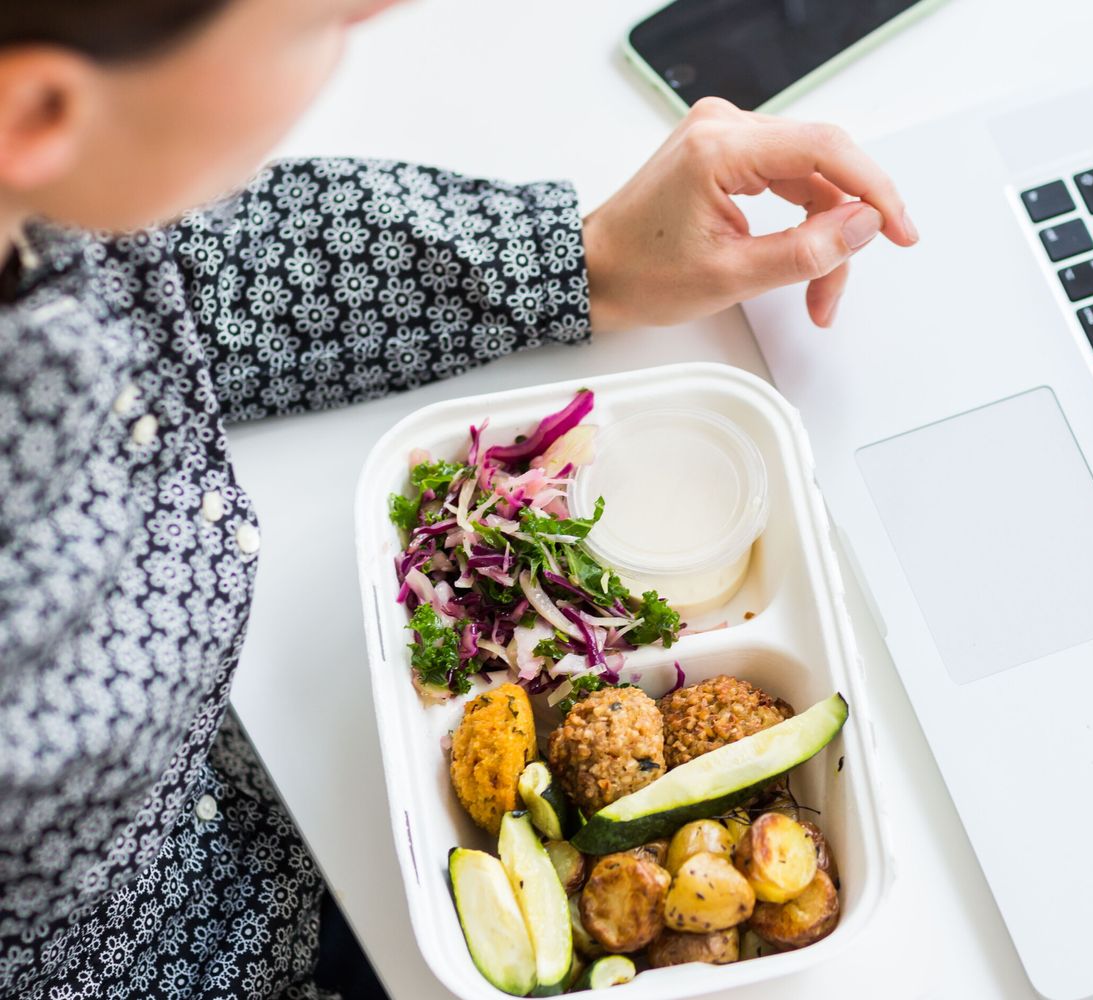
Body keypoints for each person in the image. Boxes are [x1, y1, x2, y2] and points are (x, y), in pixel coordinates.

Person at [0, 0, 917, 997]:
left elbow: (174, 251)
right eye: (316, 24)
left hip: (277, 832)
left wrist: (586, 257)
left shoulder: (54, 200)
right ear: (39, 111)